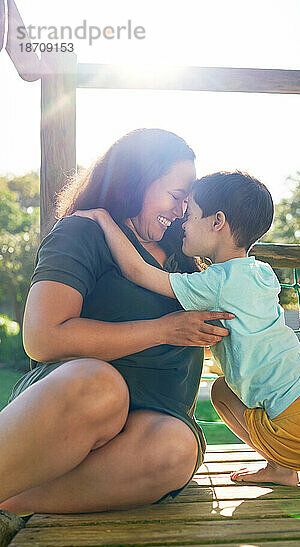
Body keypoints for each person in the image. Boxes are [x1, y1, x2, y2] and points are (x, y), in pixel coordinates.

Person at [73, 170, 300, 487]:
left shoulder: (216, 282)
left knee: (220, 393)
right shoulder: (261, 273)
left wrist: (103, 218)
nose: (182, 223)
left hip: (298, 423)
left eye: (191, 214)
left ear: (217, 221)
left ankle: (281, 467)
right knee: (237, 391)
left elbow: (138, 271)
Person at [0, 129, 235, 516]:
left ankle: (12, 509)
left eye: (187, 203)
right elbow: (42, 338)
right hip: (78, 406)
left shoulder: (186, 253)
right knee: (100, 387)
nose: (181, 211)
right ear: (137, 180)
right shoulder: (84, 230)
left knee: (177, 447)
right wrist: (164, 329)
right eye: (176, 197)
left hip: (150, 427)